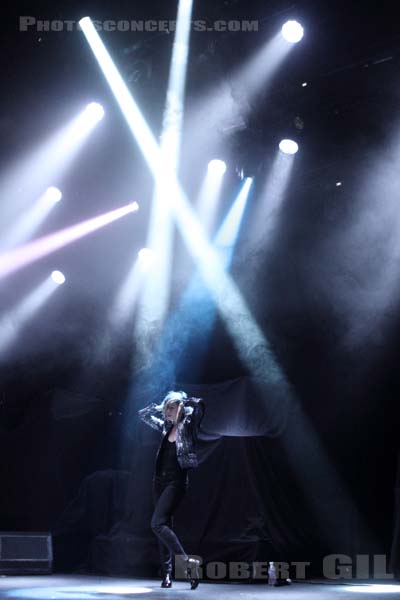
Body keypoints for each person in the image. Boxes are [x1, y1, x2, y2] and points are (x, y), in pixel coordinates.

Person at [138, 390, 205, 589]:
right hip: (158, 481)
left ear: (180, 408)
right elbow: (142, 415)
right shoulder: (165, 427)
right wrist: (157, 406)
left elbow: (200, 409)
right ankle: (167, 574)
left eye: (171, 408)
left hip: (176, 482)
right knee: (163, 527)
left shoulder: (188, 426)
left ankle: (188, 565)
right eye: (166, 408)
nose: (167, 412)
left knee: (157, 524)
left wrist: (192, 401)